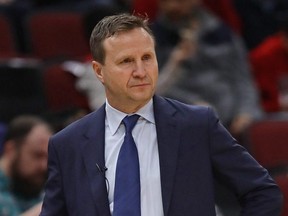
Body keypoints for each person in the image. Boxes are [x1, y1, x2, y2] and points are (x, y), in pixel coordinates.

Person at [40, 13, 283, 216]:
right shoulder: (67, 145)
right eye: (126, 61)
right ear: (99, 71)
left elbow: (262, 193)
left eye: (147, 58)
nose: (140, 71)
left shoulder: (197, 125)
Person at [152, 0, 263, 139]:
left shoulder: (222, 33)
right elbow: (153, 89)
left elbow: (243, 78)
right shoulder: (152, 38)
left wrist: (245, 111)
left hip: (230, 122)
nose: (173, 5)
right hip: (183, 123)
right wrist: (189, 105)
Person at [0, 115, 53, 216]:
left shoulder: (35, 187)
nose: (44, 166)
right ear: (11, 150)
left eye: (47, 157)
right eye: (37, 155)